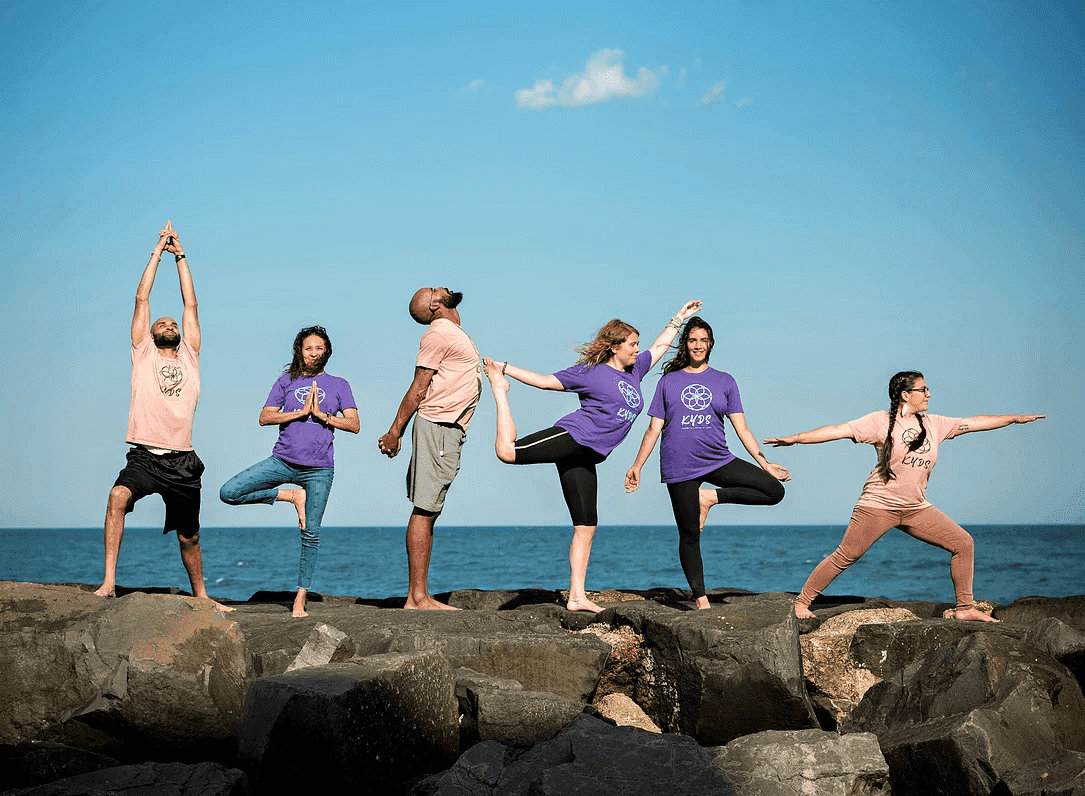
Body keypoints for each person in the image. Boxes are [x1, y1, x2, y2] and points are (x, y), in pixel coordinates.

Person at [765, 370, 1045, 622]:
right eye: (923, 389)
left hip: (915, 509)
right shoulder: (879, 421)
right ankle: (802, 602)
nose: (929, 394)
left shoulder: (935, 424)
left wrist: (1015, 419)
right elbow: (837, 431)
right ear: (905, 394)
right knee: (845, 556)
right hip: (877, 506)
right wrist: (796, 438)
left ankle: (965, 607)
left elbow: (974, 422)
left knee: (963, 542)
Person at [482, 300, 702, 613]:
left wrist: (678, 318)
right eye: (632, 344)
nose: (637, 349)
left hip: (590, 455)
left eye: (637, 344)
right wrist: (504, 371)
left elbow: (660, 346)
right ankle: (499, 391)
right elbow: (545, 381)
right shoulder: (590, 373)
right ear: (615, 346)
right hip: (572, 437)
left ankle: (576, 596)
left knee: (586, 525)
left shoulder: (635, 370)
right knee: (507, 451)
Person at [94, 221, 230, 611]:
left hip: (183, 459)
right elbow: (141, 299)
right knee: (117, 497)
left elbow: (191, 304)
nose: (169, 324)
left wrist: (181, 255)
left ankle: (202, 596)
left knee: (189, 536)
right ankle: (108, 582)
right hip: (145, 457)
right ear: (150, 334)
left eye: (173, 324)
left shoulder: (190, 355)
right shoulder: (143, 353)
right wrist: (157, 252)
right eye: (162, 324)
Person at [624, 317, 790, 609]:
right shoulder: (668, 381)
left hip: (717, 458)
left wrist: (766, 464)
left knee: (774, 491)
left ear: (710, 344)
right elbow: (653, 429)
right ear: (685, 345)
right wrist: (637, 466)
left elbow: (743, 429)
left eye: (703, 340)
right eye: (692, 340)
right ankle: (701, 599)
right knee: (689, 534)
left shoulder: (724, 381)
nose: (698, 345)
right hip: (679, 465)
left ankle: (710, 497)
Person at [219, 326, 359, 617]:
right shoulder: (286, 382)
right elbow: (264, 417)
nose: (314, 353)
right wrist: (299, 413)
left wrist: (323, 416)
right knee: (229, 492)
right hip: (282, 461)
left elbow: (355, 425)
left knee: (311, 533)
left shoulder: (339, 384)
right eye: (309, 348)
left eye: (319, 348)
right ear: (300, 351)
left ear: (327, 351)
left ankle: (299, 599)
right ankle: (290, 496)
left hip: (319, 469)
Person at [378, 287, 482, 610]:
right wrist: (395, 431)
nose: (444, 288)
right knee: (425, 509)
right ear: (435, 304)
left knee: (430, 509)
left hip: (446, 430)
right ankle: (417, 598)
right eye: (437, 289)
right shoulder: (437, 335)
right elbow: (418, 388)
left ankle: (419, 595)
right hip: (437, 427)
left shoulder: (451, 332)